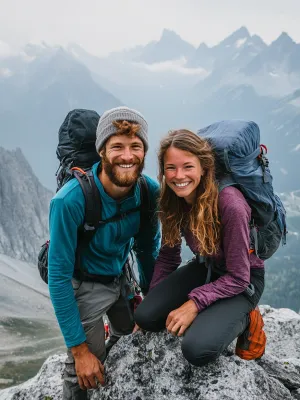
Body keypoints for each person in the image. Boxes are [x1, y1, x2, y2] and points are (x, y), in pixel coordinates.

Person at [48, 106, 160, 399]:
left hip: (120, 275)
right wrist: (79, 349)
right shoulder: (69, 201)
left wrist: (154, 300)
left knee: (132, 334)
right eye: (117, 147)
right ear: (101, 151)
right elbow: (58, 278)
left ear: (144, 152)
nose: (127, 156)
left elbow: (148, 249)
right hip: (82, 283)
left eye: (136, 146)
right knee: (86, 370)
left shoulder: (148, 192)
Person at [135, 129, 266, 366]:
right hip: (206, 267)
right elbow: (168, 257)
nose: (178, 176)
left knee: (196, 349)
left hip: (243, 282)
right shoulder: (172, 199)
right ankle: (211, 309)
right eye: (170, 168)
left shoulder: (230, 205)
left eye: (188, 167)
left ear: (204, 167)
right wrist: (153, 301)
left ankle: (247, 319)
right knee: (146, 317)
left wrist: (195, 303)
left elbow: (238, 277)